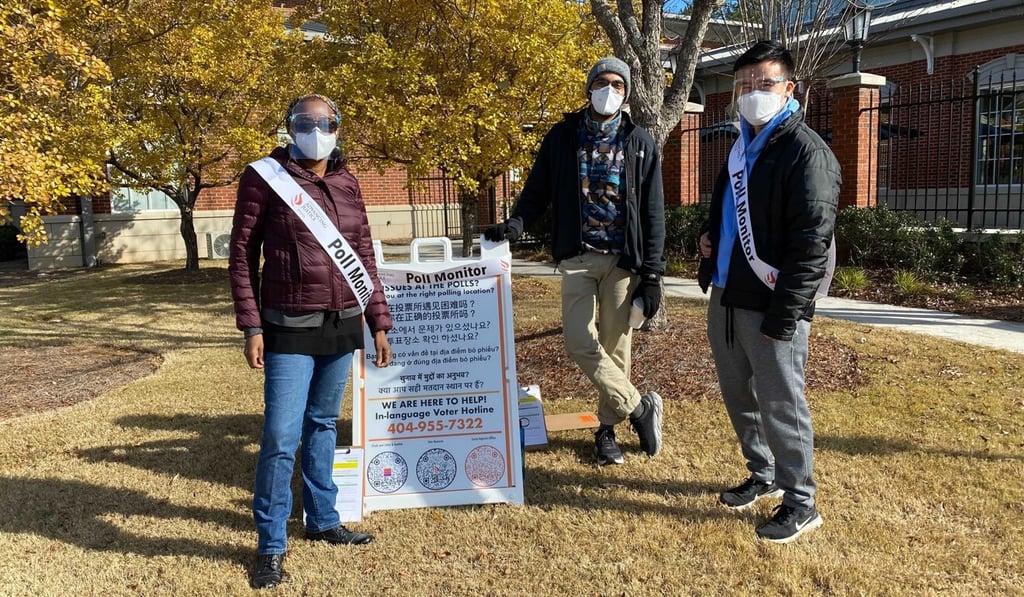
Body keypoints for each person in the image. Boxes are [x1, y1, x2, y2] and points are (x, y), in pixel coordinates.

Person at [229, 93, 394, 588]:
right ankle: (270, 544)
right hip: (287, 323)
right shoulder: (263, 178)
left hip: (342, 321)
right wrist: (252, 326)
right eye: (306, 122)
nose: (316, 130)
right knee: (281, 437)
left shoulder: (347, 181)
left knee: (323, 423)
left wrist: (378, 321)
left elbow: (362, 251)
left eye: (325, 122)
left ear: (338, 127)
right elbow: (242, 256)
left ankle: (323, 520)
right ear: (290, 127)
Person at [486, 57, 666, 466]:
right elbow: (537, 190)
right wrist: (516, 223)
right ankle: (639, 409)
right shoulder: (563, 136)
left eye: (618, 85)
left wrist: (652, 275)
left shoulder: (640, 141)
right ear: (588, 88)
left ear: (627, 92)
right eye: (602, 83)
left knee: (616, 348)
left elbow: (654, 211)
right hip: (579, 258)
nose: (609, 91)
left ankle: (606, 431)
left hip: (623, 262)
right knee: (579, 341)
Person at [698, 41, 840, 544]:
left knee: (782, 404)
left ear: (789, 88)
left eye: (765, 83)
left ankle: (801, 501)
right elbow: (729, 215)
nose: (753, 93)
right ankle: (761, 474)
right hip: (727, 295)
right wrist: (709, 244)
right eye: (744, 85)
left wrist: (788, 314)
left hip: (774, 302)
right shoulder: (740, 147)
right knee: (740, 396)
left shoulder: (807, 152)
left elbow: (812, 244)